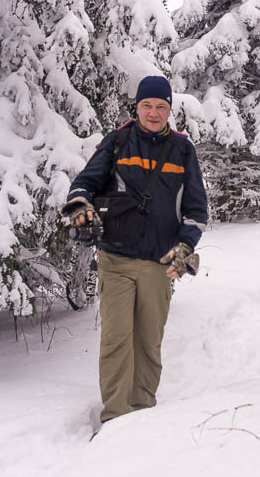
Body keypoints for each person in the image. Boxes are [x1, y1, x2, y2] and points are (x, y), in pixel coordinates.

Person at [60, 75, 208, 425]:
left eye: (161, 106)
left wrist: (184, 245)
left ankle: (142, 417)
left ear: (170, 110)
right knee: (115, 340)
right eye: (147, 105)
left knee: (148, 343)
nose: (154, 113)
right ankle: (115, 417)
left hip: (159, 263)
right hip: (116, 260)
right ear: (137, 107)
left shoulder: (183, 150)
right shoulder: (118, 141)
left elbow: (197, 209)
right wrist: (81, 207)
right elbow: (86, 182)